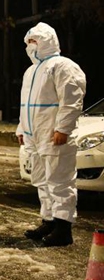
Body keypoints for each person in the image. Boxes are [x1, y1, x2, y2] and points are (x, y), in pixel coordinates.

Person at [17, 22, 86, 247]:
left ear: (46, 41)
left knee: (59, 180)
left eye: (35, 41)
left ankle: (63, 227)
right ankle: (48, 221)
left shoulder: (62, 66)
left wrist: (63, 128)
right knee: (42, 180)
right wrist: (21, 129)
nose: (31, 46)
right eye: (29, 42)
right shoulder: (30, 72)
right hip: (35, 136)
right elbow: (26, 105)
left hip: (53, 135)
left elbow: (72, 98)